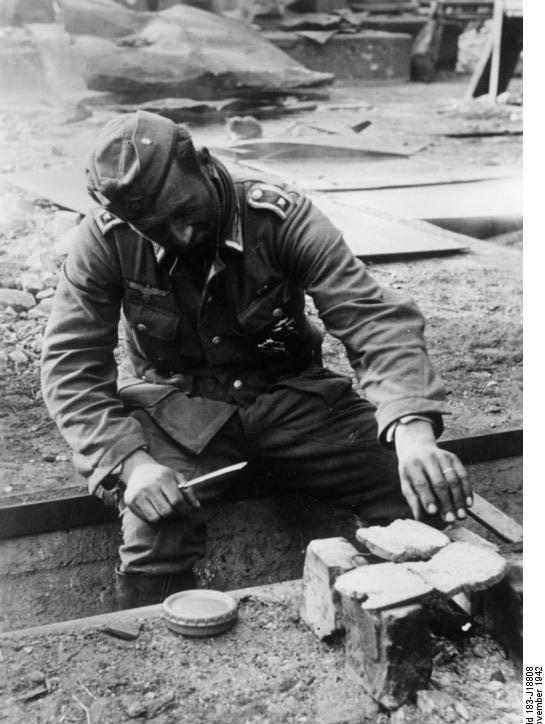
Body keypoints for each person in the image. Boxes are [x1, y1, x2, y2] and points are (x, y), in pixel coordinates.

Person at [41, 111, 473, 608]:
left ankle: (435, 625)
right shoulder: (105, 237)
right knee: (156, 529)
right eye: (155, 227)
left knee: (407, 483)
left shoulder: (278, 215)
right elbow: (70, 364)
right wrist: (133, 464)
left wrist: (412, 428)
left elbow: (371, 318)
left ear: (204, 164)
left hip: (292, 399)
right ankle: (158, 660)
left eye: (185, 212)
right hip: (179, 413)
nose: (179, 236)